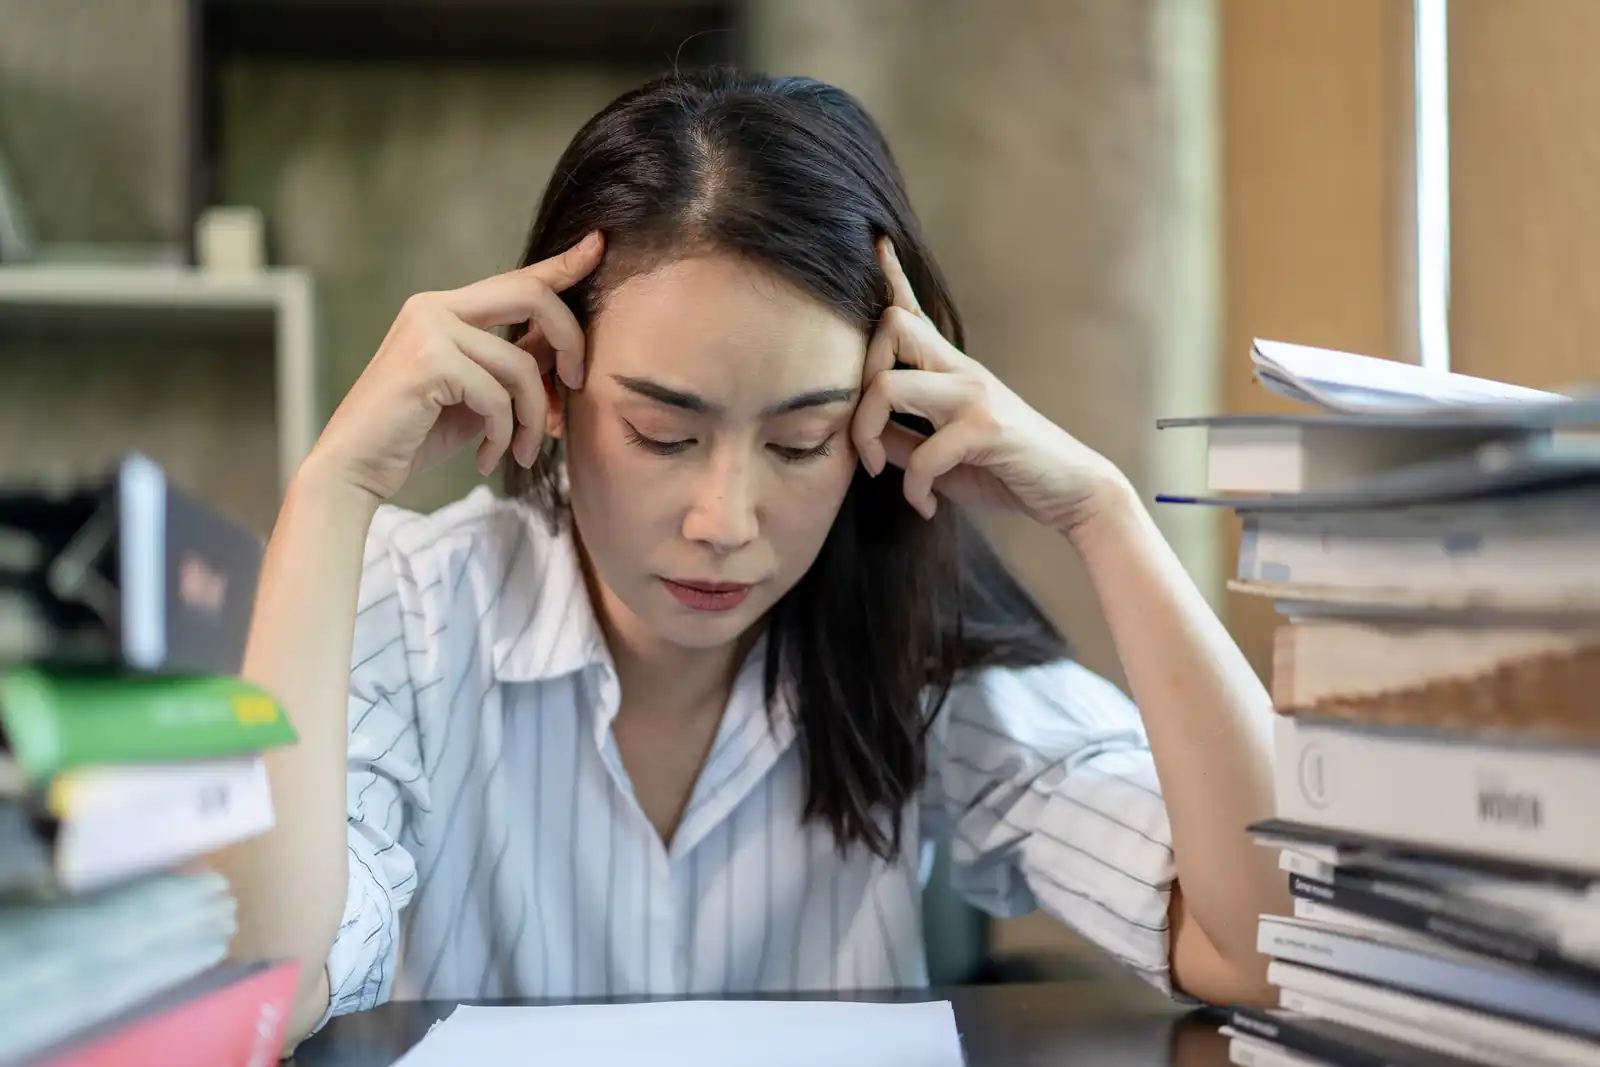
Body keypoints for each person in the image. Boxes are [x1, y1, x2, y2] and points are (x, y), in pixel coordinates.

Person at [215, 67, 1287, 1048]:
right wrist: (333, 490)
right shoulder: (417, 606)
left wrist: (1104, 513)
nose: (726, 517)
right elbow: (265, 985)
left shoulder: (909, 627)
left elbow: (1261, 948)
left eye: (799, 442)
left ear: (875, 418)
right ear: (551, 378)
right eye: (664, 435)